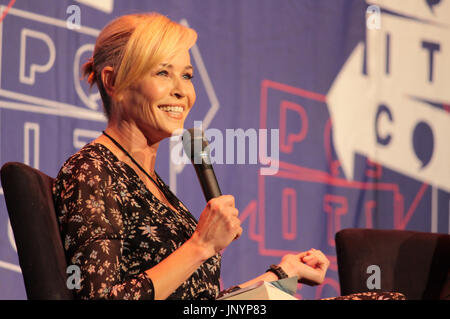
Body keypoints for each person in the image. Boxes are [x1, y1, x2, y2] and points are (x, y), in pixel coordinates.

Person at [53, 13, 404, 300]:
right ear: (112, 82)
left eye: (187, 76)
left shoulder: (150, 183)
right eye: (162, 72)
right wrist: (200, 245)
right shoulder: (92, 171)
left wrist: (284, 274)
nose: (182, 90)